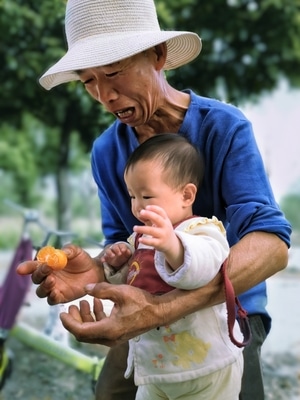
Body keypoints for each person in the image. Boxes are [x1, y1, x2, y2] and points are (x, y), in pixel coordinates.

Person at [17, 0, 291, 399]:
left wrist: (162, 310)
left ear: (159, 55)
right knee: (110, 393)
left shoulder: (224, 128)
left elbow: (271, 247)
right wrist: (95, 272)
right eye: (88, 80)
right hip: (148, 311)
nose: (104, 95)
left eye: (113, 72)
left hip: (228, 312)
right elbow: (128, 248)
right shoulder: (107, 151)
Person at [101, 133, 243, 399]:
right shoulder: (142, 238)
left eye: (146, 196)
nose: (137, 207)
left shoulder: (202, 230)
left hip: (205, 367)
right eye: (132, 196)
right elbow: (133, 282)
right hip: (155, 366)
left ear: (186, 195)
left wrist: (173, 245)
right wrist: (119, 265)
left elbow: (204, 269)